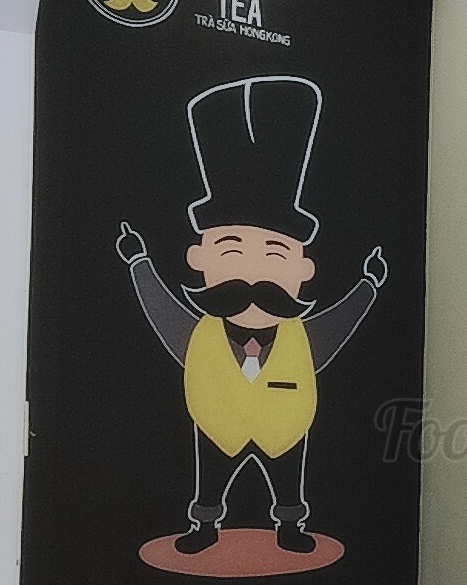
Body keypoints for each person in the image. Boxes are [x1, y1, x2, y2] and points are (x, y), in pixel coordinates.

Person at [115, 74, 386, 554]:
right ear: (199, 258)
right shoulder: (198, 334)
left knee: (288, 474)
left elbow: (342, 322)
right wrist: (139, 263)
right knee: (211, 473)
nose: (253, 274)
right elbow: (160, 310)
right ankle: (205, 524)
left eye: (275, 255)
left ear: (303, 268)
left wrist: (368, 285)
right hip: (217, 423)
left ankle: (290, 523)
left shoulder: (303, 337)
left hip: (286, 426)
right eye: (231, 250)